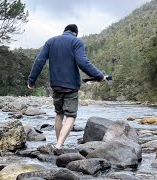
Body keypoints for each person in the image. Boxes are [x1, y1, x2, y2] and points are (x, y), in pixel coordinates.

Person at [27, 24, 106, 154]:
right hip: (71, 86)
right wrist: (99, 75)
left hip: (56, 85)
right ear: (75, 33)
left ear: (64, 31)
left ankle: (59, 145)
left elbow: (39, 61)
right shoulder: (76, 41)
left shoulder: (50, 42)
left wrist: (31, 81)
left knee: (59, 114)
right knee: (71, 116)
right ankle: (58, 145)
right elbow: (83, 62)